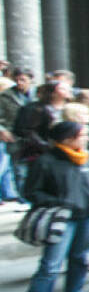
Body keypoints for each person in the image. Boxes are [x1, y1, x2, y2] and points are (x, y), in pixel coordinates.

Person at [13, 121, 89, 292]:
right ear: (68, 138)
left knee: (80, 260)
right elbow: (31, 192)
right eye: (82, 135)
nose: (87, 139)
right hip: (62, 218)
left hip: (87, 215)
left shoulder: (85, 159)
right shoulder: (45, 162)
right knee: (50, 266)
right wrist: (59, 203)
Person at [0, 66, 35, 200]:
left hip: (36, 136)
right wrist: (2, 130)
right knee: (19, 169)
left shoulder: (38, 94)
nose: (19, 82)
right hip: (15, 136)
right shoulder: (5, 96)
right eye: (17, 80)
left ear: (31, 80)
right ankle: (24, 198)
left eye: (23, 79)